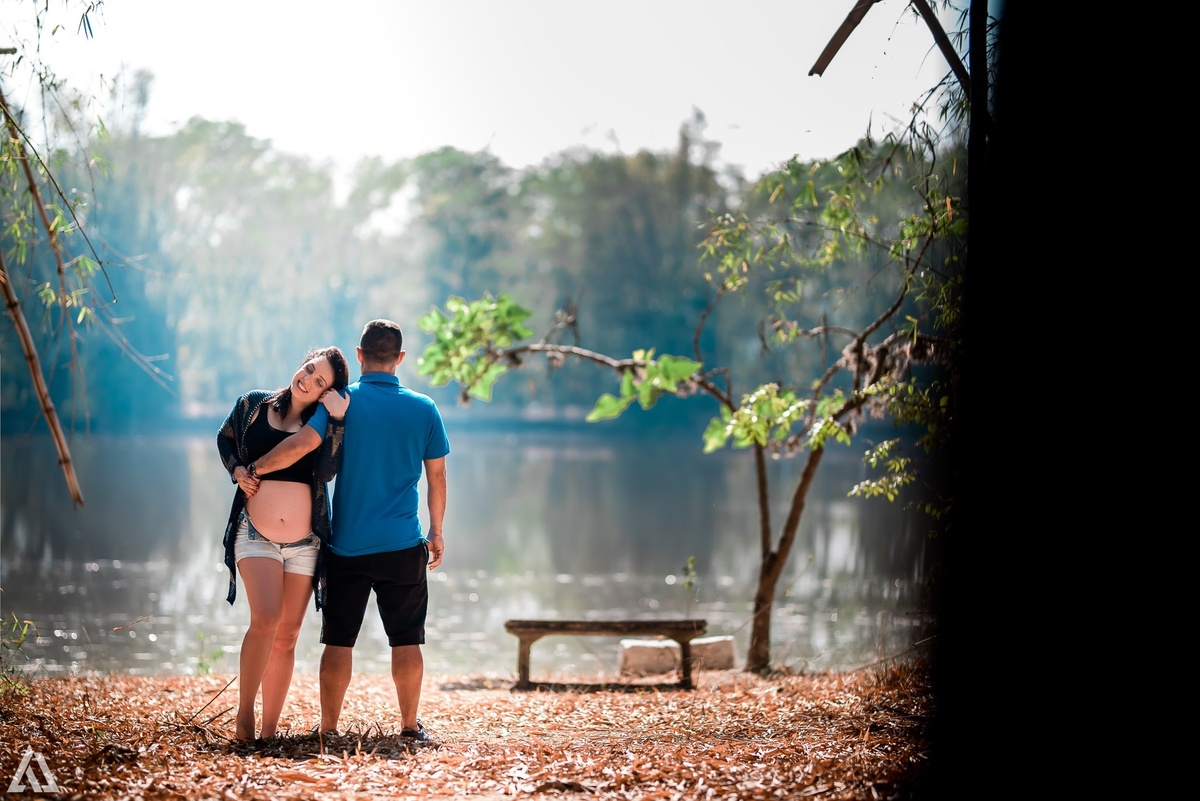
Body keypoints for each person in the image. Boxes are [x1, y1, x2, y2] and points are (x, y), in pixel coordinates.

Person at [274, 319, 448, 741]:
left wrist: (254, 470)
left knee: (338, 641)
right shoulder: (424, 408)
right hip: (404, 544)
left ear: (359, 355)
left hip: (347, 546)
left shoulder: (340, 403)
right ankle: (409, 727)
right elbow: (437, 478)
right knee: (407, 640)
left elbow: (303, 447)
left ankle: (329, 730)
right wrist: (437, 532)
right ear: (400, 359)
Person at [215, 346, 351, 742]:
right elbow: (224, 439)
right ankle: (245, 718)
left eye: (320, 382)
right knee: (267, 618)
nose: (307, 380)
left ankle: (270, 730)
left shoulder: (322, 423)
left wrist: (338, 420)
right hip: (254, 534)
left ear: (326, 393)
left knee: (289, 634)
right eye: (309, 369)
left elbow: (327, 470)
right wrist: (237, 470)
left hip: (305, 543)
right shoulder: (253, 405)